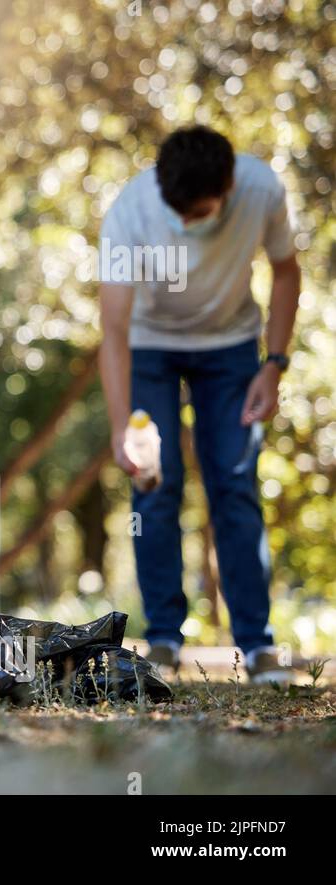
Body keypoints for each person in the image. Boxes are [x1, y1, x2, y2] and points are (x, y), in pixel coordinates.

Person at [97, 125, 301, 684]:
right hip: (148, 349)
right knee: (152, 482)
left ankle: (257, 646)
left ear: (230, 188)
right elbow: (113, 330)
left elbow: (286, 270)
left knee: (233, 482)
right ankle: (163, 638)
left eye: (200, 213)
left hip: (230, 349)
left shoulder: (262, 191)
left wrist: (274, 364)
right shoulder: (130, 214)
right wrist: (121, 429)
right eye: (178, 213)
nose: (187, 224)